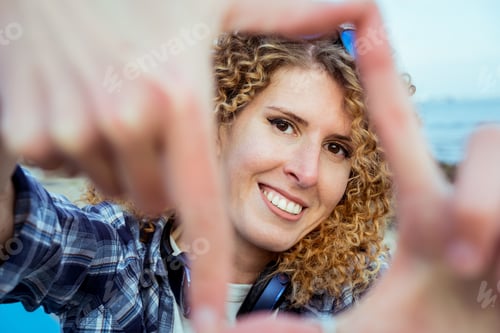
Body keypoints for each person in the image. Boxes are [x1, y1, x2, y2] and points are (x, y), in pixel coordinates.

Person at [2, 1, 500, 333]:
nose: (306, 171)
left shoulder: (362, 297)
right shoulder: (113, 255)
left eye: (337, 149)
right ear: (218, 127)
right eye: (283, 125)